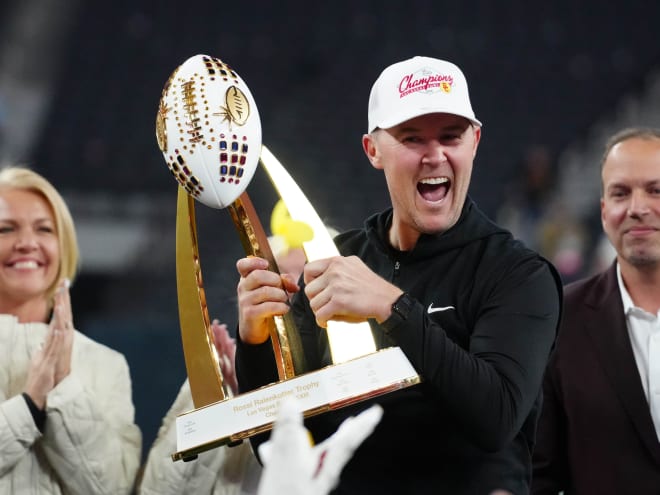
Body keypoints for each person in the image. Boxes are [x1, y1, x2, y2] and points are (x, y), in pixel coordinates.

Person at [234, 55, 562, 494]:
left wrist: (393, 307)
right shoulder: (335, 262)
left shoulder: (518, 275)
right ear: (373, 150)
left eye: (451, 136)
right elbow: (281, 445)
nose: (434, 155)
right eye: (411, 139)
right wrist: (255, 344)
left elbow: (495, 417)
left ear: (475, 141)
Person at [531, 127, 660, 494]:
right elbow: (539, 472)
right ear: (604, 212)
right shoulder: (559, 321)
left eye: (656, 190)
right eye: (621, 193)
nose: (637, 208)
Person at [0, 165, 142, 494]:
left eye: (44, 230)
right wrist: (29, 404)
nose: (27, 243)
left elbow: (112, 488)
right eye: (5, 229)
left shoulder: (107, 365)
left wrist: (64, 387)